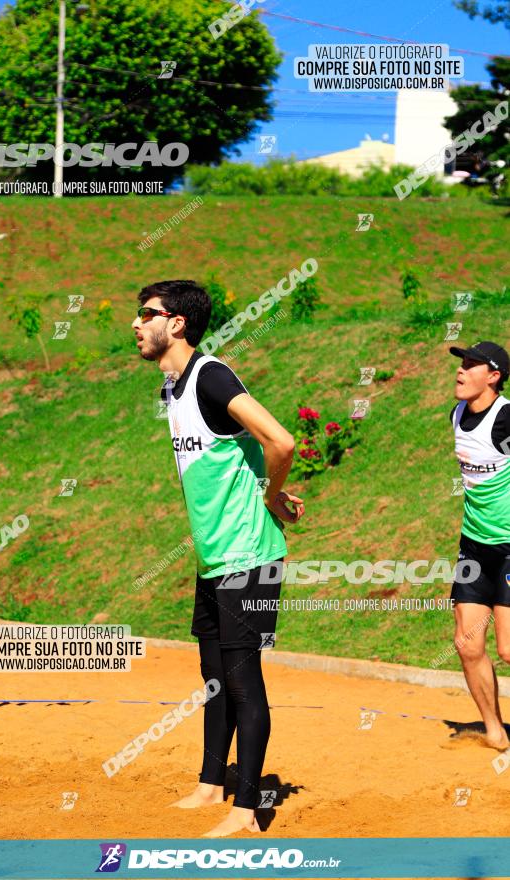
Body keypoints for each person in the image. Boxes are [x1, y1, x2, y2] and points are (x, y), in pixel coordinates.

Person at [132, 280, 305, 837]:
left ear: (176, 323)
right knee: (213, 676)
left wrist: (272, 494)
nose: (136, 324)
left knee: (241, 680)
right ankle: (211, 782)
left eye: (146, 314)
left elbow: (281, 441)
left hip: (248, 554)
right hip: (215, 557)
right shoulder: (172, 386)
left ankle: (247, 807)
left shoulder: (210, 376)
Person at [449, 340, 510, 749]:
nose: (461, 370)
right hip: (474, 547)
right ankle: (495, 733)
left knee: (508, 649)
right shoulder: (456, 414)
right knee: (468, 644)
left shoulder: (506, 419)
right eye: (461, 363)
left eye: (472, 364)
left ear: (494, 376)